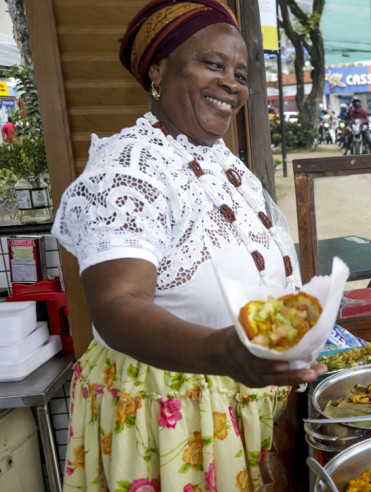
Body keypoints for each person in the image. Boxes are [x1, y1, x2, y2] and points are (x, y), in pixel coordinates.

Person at [51, 1, 326, 489]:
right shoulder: (128, 168)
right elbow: (117, 305)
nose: (233, 85)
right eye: (212, 64)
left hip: (244, 400)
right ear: (158, 69)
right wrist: (221, 351)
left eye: (240, 73)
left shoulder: (223, 164)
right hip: (173, 417)